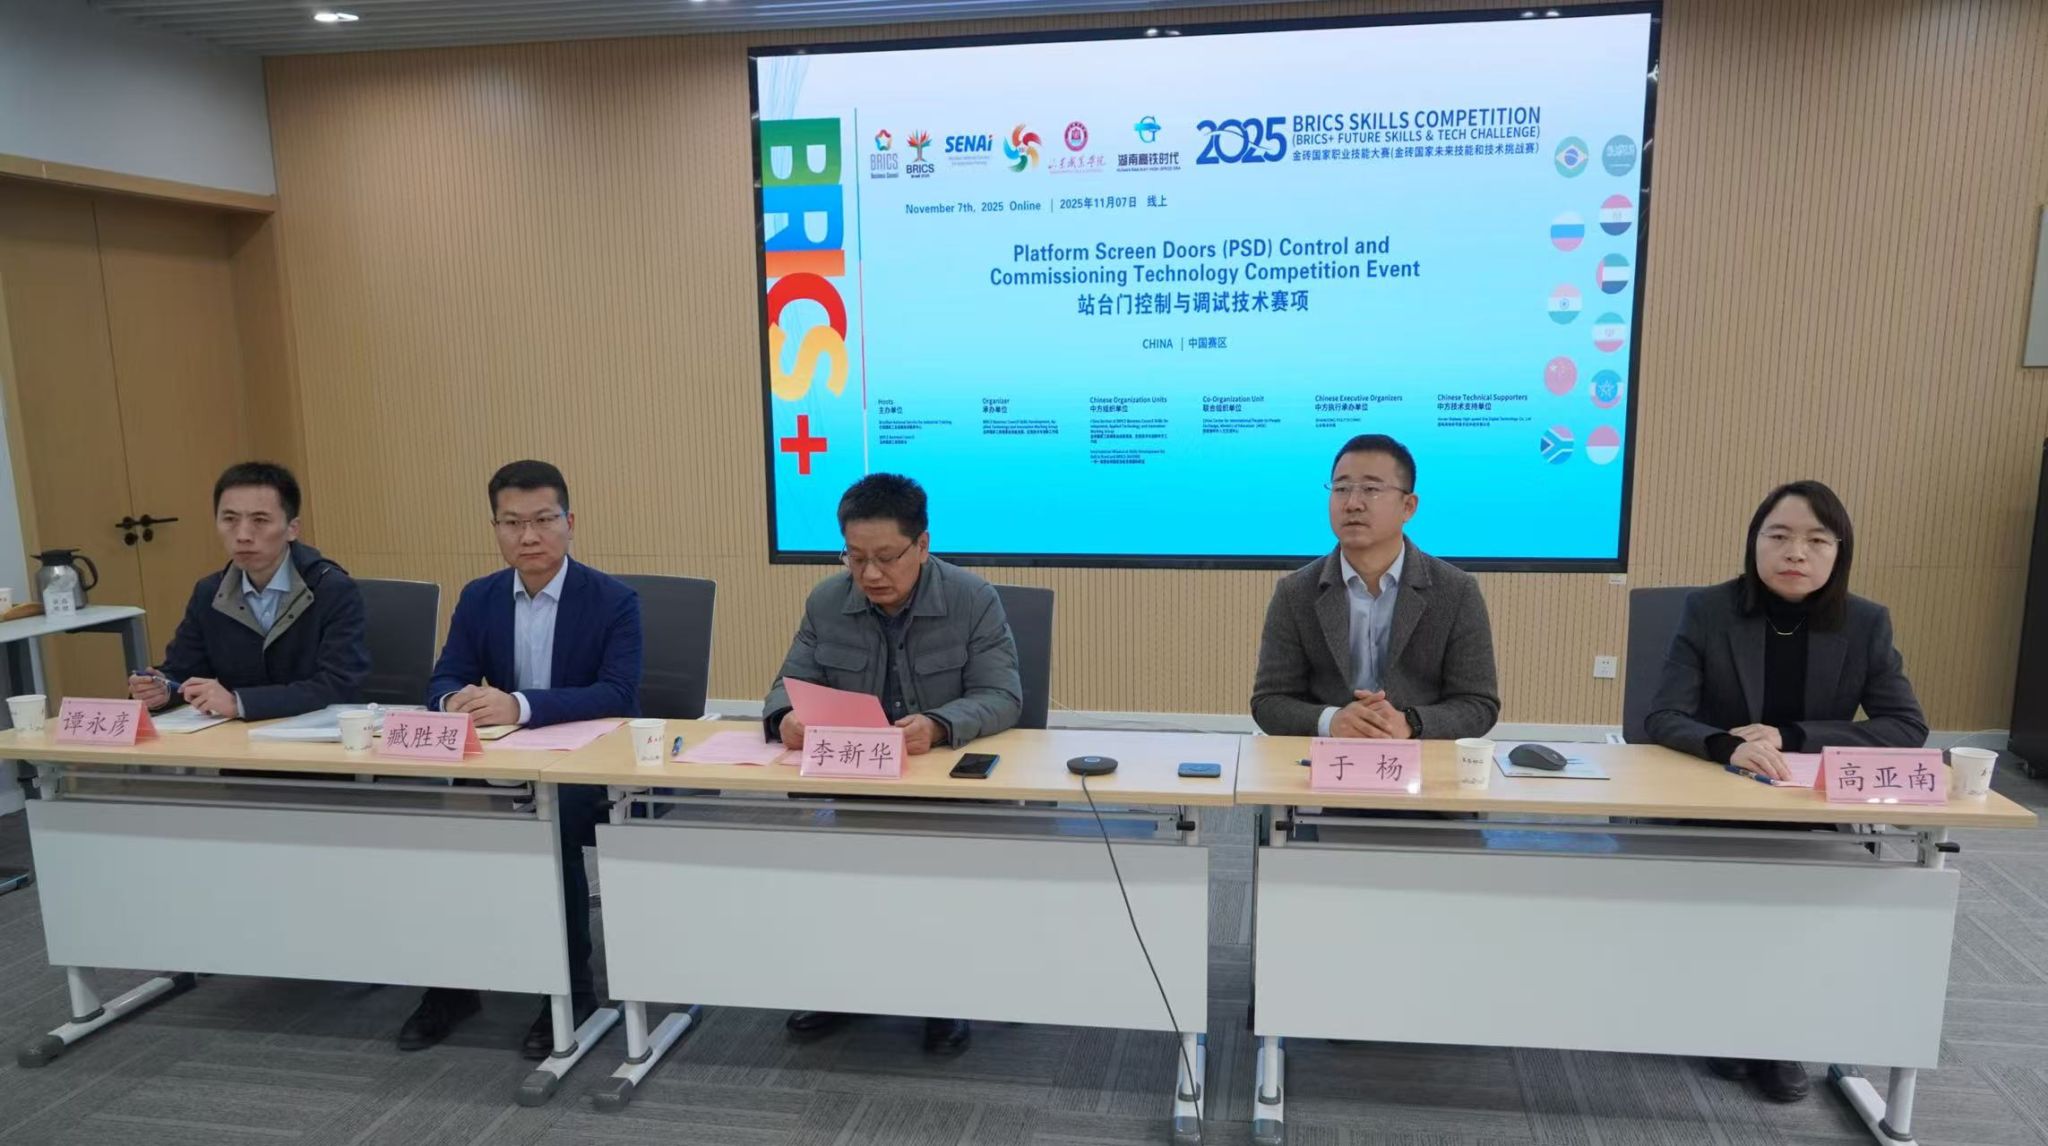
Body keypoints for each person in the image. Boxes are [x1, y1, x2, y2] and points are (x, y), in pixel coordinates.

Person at [1644, 479, 1926, 1104]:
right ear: (1755, 544)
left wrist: (1794, 736)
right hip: (1717, 802)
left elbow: (1906, 726)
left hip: (1810, 812)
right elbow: (1662, 715)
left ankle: (1779, 1038)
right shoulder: (1709, 610)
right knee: (1729, 906)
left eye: (1816, 540)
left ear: (1838, 553)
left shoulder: (1866, 622)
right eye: (1779, 536)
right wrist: (1728, 744)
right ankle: (1727, 1021)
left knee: (1798, 909)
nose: (1796, 552)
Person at [763, 472, 1022, 1054]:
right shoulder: (827, 601)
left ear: (922, 545)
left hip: (947, 789)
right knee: (838, 873)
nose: (870, 574)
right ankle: (847, 985)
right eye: (855, 558)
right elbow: (786, 683)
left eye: (885, 557)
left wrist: (939, 723)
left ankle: (943, 995)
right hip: (860, 784)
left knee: (931, 876)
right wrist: (785, 717)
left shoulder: (973, 599)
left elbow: (1003, 695)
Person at [395, 460, 643, 1060]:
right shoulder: (480, 597)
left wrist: (521, 705)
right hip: (501, 763)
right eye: (511, 523)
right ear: (496, 528)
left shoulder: (613, 600)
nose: (528, 536)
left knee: (548, 826)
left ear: (569, 523)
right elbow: (444, 677)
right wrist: (454, 701)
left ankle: (573, 990)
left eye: (543, 520)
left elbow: (617, 693)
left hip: (583, 767)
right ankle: (453, 985)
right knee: (442, 824)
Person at [1250, 434, 1500, 741]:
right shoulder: (1295, 592)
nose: (1352, 504)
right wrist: (1332, 720)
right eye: (1341, 489)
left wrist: (1410, 723)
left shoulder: (1456, 591)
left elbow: (1479, 704)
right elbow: (1269, 702)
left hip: (1421, 762)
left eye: (1371, 489)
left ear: (1408, 506)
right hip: (1324, 761)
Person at [128, 461, 368, 720]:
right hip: (237, 739)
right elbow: (183, 672)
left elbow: (340, 684)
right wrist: (162, 690)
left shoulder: (331, 589)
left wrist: (240, 703)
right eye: (229, 519)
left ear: (292, 529)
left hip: (314, 737)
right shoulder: (210, 592)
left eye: (260, 520)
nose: (242, 535)